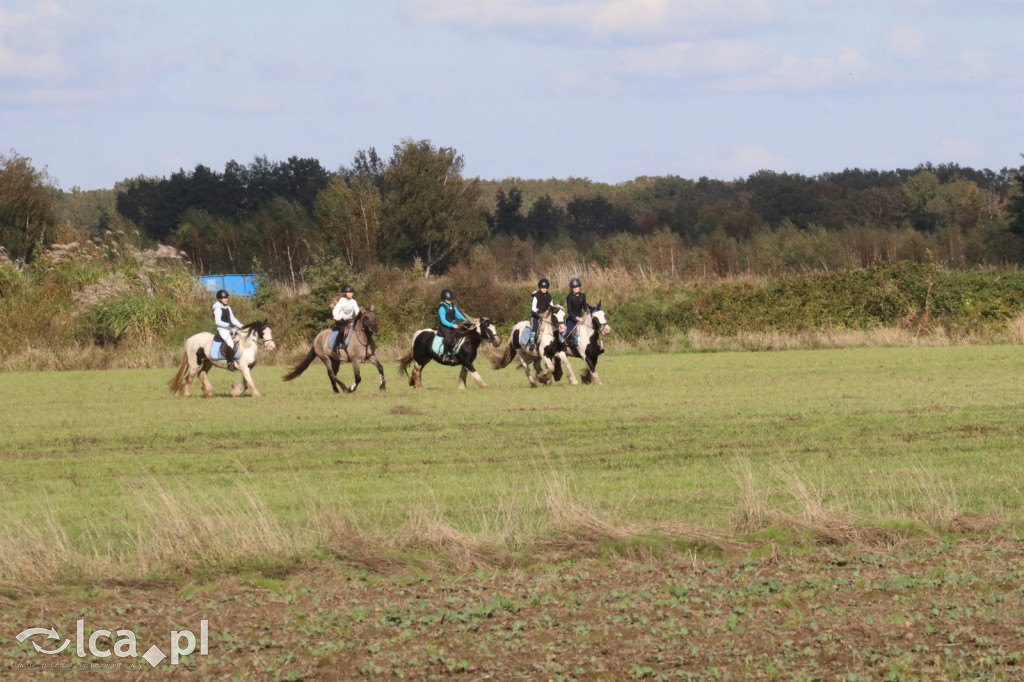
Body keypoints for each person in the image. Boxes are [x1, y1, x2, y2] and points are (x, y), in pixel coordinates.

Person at [213, 289, 243, 371]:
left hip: (230, 328)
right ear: (219, 299)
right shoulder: (217, 309)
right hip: (222, 329)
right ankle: (230, 363)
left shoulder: (228, 308)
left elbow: (233, 319)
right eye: (224, 298)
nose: (227, 299)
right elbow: (217, 321)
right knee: (230, 343)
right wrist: (228, 324)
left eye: (227, 298)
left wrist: (242, 326)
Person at [528, 278, 555, 352]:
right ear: (539, 288)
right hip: (536, 315)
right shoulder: (536, 295)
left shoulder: (549, 295)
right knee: (535, 326)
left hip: (546, 316)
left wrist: (553, 309)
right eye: (542, 288)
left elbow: (551, 305)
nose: (544, 289)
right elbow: (533, 308)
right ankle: (531, 342)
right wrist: (540, 313)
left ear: (547, 288)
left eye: (545, 288)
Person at [437, 289, 466, 356]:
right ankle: (445, 354)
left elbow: (458, 314)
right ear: (444, 298)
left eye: (450, 299)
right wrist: (452, 325)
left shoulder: (452, 306)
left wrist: (465, 320)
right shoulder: (442, 308)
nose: (449, 300)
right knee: (448, 338)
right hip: (444, 327)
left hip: (453, 325)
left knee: (461, 334)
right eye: (448, 299)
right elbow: (443, 320)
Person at [331, 284, 359, 353]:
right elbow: (335, 312)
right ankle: (336, 346)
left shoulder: (353, 301)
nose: (352, 293)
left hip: (350, 321)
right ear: (345, 293)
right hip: (341, 321)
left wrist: (357, 317)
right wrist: (341, 318)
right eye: (350, 292)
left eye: (352, 292)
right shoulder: (342, 301)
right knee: (342, 330)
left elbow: (357, 311)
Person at [564, 277, 592, 347]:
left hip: (581, 317)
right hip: (572, 318)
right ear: (571, 288)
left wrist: (588, 311)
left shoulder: (583, 295)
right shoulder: (569, 297)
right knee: (567, 334)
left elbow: (585, 307)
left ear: (579, 287)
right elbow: (569, 312)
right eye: (574, 287)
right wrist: (577, 318)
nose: (575, 288)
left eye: (577, 286)